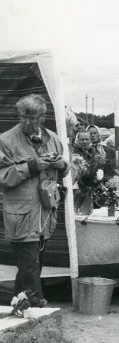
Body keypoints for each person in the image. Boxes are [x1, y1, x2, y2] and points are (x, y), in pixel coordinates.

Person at [0, 94, 67, 300]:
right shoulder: (5, 140)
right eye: (23, 117)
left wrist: (61, 165)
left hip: (45, 216)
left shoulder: (53, 139)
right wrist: (31, 166)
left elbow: (66, 168)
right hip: (21, 216)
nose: (27, 122)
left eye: (33, 118)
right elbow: (2, 177)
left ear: (43, 117)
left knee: (32, 268)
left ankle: (19, 311)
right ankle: (37, 310)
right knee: (30, 267)